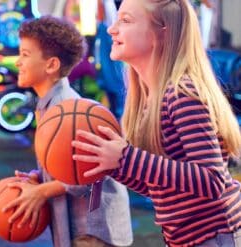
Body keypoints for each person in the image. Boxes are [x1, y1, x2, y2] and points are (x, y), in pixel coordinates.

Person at [72, 0, 241, 246]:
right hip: (187, 237)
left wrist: (126, 158)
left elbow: (212, 180)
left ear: (163, 33)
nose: (111, 29)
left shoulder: (182, 94)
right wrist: (115, 166)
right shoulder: (149, 96)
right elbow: (160, 187)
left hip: (216, 234)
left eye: (126, 20)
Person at [2, 16, 133, 247]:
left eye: (25, 54)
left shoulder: (70, 111)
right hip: (79, 225)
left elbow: (87, 175)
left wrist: (42, 191)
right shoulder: (49, 105)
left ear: (51, 65)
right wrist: (39, 177)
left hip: (94, 230)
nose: (18, 62)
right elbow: (65, 164)